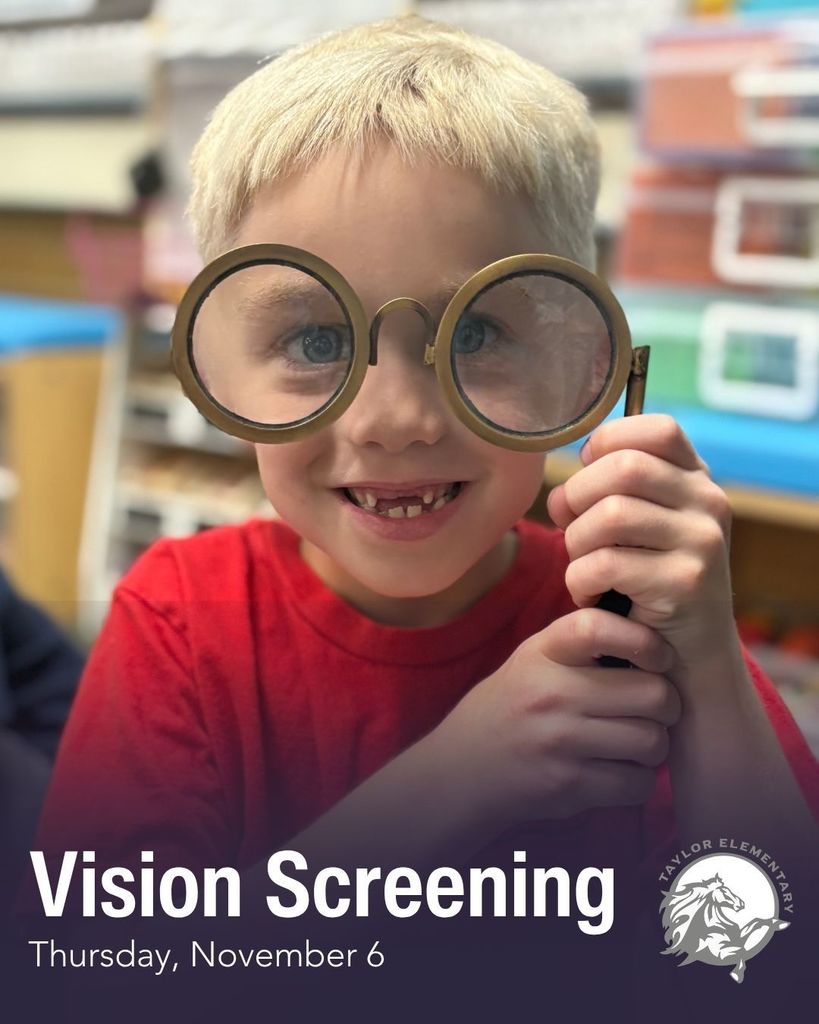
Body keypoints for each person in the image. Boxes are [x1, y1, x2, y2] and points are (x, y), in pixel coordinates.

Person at [33, 16, 818, 1015]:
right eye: (316, 338)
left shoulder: (635, 626)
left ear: (581, 357)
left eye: (478, 329)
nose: (395, 420)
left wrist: (704, 662)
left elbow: (780, 961)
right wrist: (459, 776)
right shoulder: (181, 620)